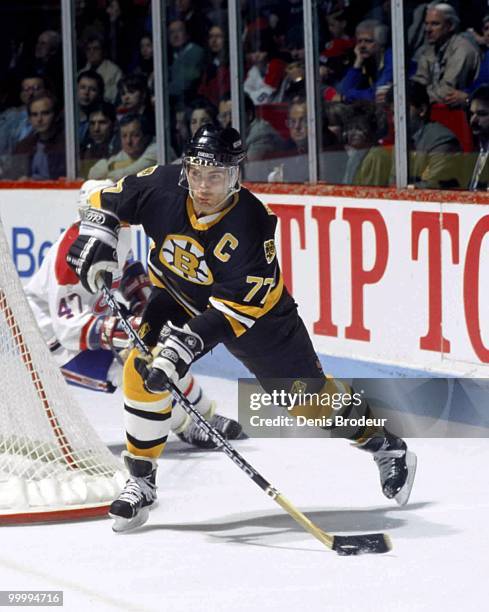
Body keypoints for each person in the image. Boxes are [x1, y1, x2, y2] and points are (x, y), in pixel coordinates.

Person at [66, 124, 417, 532]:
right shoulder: (162, 185)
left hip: (259, 320)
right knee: (141, 371)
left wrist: (180, 351)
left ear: (236, 175)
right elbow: (101, 199)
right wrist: (96, 235)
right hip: (177, 296)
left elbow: (230, 312)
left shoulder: (252, 223)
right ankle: (141, 482)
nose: (203, 186)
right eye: (197, 172)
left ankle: (385, 446)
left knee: (304, 399)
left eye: (216, 176)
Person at [26, 179, 239, 450]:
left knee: (163, 351)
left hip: (94, 318)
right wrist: (129, 330)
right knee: (138, 369)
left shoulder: (110, 233)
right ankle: (185, 425)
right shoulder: (71, 257)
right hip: (52, 344)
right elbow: (70, 329)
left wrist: (150, 316)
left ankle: (206, 414)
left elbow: (130, 276)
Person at [412, 3, 480, 106]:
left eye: (435, 24)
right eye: (426, 24)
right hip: (432, 108)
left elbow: (448, 91)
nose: (428, 29)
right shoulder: (430, 49)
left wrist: (415, 99)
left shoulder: (463, 49)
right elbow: (420, 81)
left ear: (450, 26)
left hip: (461, 113)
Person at [10, 92, 65, 180]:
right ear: (29, 118)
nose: (39, 119)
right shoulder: (23, 146)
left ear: (56, 115)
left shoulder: (67, 146)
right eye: (34, 115)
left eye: (45, 113)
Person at [88, 113, 159, 181]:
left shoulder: (157, 150)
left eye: (135, 135)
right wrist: (112, 167)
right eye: (124, 136)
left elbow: (127, 175)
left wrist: (112, 170)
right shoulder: (127, 153)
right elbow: (93, 174)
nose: (128, 141)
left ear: (146, 137)